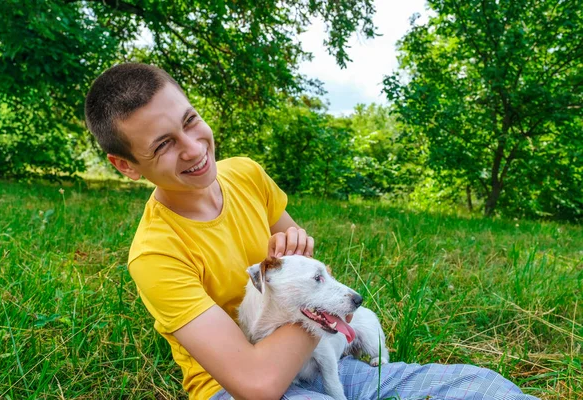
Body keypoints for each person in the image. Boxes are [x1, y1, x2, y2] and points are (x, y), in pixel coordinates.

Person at [85, 63, 539, 400]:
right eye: (163, 145)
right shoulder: (156, 254)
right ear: (126, 166)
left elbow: (313, 279)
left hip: (320, 356)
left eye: (189, 120)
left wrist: (310, 281)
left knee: (481, 388)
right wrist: (312, 305)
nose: (193, 148)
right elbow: (256, 382)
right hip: (236, 387)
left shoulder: (245, 175)